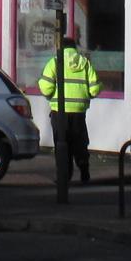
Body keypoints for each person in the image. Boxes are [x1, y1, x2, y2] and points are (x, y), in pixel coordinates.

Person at [37, 33, 102, 184]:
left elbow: (46, 88)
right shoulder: (85, 63)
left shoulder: (54, 62)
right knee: (80, 143)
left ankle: (64, 177)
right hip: (79, 112)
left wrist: (52, 95)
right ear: (74, 48)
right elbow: (95, 88)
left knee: (62, 143)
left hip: (59, 112)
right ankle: (84, 171)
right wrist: (86, 96)